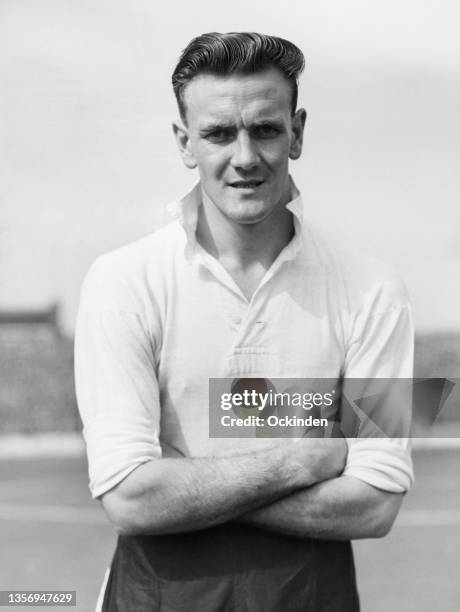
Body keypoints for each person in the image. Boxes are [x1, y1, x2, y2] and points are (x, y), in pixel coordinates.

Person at [75, 32, 414, 612]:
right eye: (217, 133)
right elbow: (130, 499)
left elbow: (375, 503)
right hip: (155, 597)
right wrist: (302, 460)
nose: (244, 157)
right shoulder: (121, 282)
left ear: (298, 132)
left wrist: (181, 486)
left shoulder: (372, 291)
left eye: (264, 128)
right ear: (184, 141)